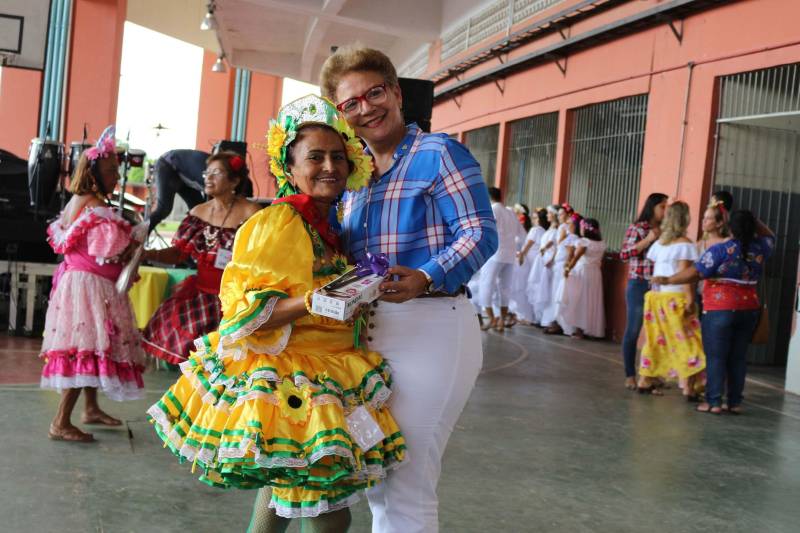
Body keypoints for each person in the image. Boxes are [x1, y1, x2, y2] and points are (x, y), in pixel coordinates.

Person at [148, 96, 405, 531]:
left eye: (338, 157)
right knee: (329, 517)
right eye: (316, 157)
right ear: (289, 168)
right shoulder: (282, 222)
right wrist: (314, 300)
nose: (330, 166)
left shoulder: (324, 225)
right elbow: (250, 314)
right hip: (298, 381)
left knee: (284, 501)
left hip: (330, 372)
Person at [320, 45, 497, 533]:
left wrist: (428, 274)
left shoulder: (439, 155)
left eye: (374, 92)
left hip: (431, 328)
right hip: (367, 336)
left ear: (396, 93)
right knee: (377, 474)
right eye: (349, 103)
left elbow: (480, 232)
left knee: (406, 481)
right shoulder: (353, 179)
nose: (365, 108)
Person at [40, 126, 146, 443]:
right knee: (86, 346)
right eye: (111, 170)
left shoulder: (81, 200)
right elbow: (108, 252)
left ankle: (90, 408)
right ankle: (61, 421)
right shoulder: (94, 207)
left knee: (95, 344)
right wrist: (135, 242)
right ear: (95, 173)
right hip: (88, 285)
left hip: (80, 282)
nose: (116, 176)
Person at [141, 152, 261, 364]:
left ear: (235, 180)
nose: (208, 177)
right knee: (195, 362)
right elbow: (178, 253)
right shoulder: (197, 213)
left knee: (230, 364)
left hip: (236, 298)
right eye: (207, 172)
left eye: (217, 173)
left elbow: (261, 260)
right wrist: (148, 254)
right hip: (201, 295)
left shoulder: (252, 213)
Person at [654, 210, 775, 414]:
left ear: (731, 228)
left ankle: (714, 402)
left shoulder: (721, 250)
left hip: (720, 310)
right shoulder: (762, 248)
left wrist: (667, 280)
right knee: (738, 357)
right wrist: (755, 221)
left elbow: (696, 273)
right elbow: (770, 235)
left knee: (716, 357)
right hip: (748, 309)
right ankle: (734, 402)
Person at [637, 202, 705, 398]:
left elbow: (656, 268)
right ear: (685, 219)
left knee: (655, 340)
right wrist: (691, 299)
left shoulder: (659, 244)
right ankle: (688, 386)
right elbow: (686, 275)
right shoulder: (685, 244)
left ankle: (645, 379)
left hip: (656, 298)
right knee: (688, 341)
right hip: (676, 298)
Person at [619, 192, 669, 390]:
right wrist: (648, 239)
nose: (665, 211)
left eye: (667, 207)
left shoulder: (667, 230)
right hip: (639, 284)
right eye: (662, 207)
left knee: (658, 332)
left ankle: (652, 374)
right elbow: (624, 254)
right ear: (652, 207)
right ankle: (630, 374)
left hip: (659, 286)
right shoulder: (638, 228)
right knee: (633, 329)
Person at [479, 187, 523, 332]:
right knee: (505, 288)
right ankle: (501, 321)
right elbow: (522, 235)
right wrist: (519, 251)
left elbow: (485, 229)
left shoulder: (493, 209)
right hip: (509, 255)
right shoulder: (511, 213)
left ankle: (492, 319)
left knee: (486, 285)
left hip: (495, 254)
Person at [558, 218, 606, 339]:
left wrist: (567, 269)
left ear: (585, 228)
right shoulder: (601, 243)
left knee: (581, 299)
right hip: (595, 272)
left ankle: (580, 329)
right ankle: (591, 328)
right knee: (592, 299)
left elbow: (575, 258)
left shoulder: (584, 242)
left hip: (583, 271)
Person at [147, 149, 209, 231]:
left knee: (199, 211)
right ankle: (137, 236)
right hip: (168, 164)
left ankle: (194, 241)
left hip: (184, 174)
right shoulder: (214, 175)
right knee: (164, 209)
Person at [543, 213, 582, 335]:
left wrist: (567, 267)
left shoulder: (573, 238)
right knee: (556, 294)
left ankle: (561, 323)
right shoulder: (567, 236)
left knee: (561, 296)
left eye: (570, 223)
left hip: (563, 267)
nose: (566, 225)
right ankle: (556, 321)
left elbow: (570, 254)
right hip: (558, 265)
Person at [513, 206, 547, 325]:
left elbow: (528, 244)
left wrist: (521, 254)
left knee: (524, 287)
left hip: (530, 259)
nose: (532, 219)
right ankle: (531, 316)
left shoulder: (536, 230)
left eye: (535, 217)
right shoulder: (543, 230)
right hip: (536, 261)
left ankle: (528, 316)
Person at [527, 205, 559, 327]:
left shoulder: (557, 229)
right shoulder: (549, 228)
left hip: (548, 261)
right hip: (542, 259)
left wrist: (551, 258)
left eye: (549, 213)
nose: (547, 215)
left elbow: (556, 245)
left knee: (547, 289)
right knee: (539, 287)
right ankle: (539, 317)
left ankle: (547, 319)